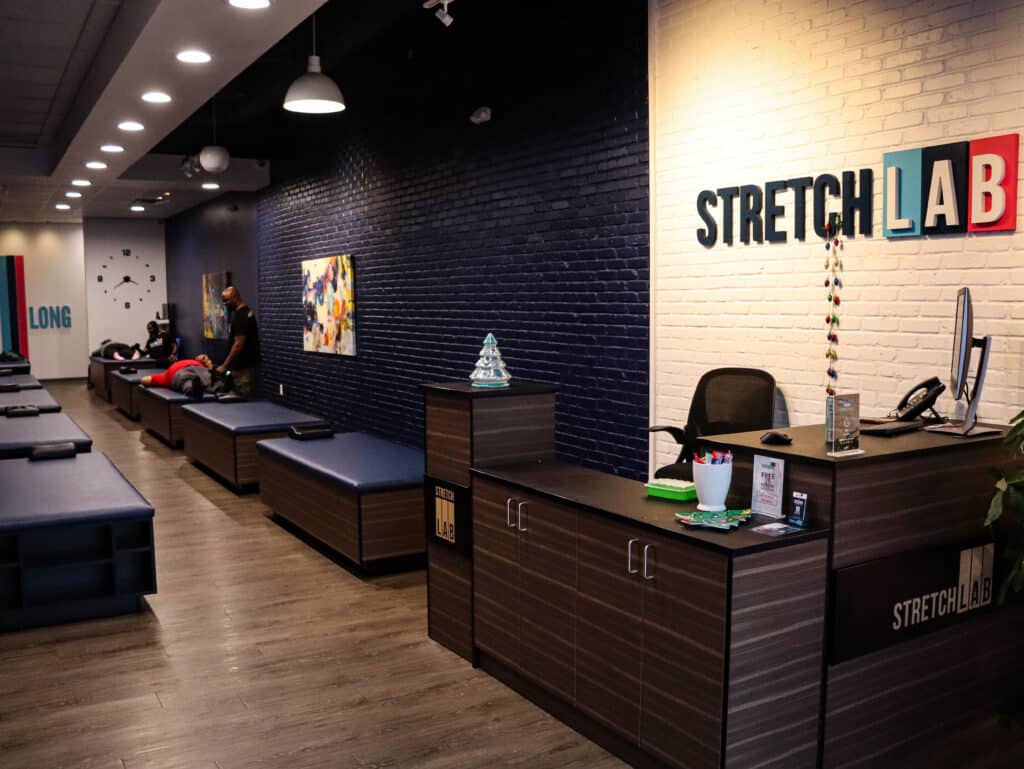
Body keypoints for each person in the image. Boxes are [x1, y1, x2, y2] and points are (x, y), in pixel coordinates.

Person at [217, 286, 260, 398]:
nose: (225, 304)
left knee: (242, 399)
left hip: (244, 369)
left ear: (236, 297)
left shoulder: (242, 316)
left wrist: (224, 365)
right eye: (223, 301)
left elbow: (238, 345)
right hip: (237, 368)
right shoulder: (240, 314)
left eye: (226, 300)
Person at [141, 355, 213, 388]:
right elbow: (144, 380)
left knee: (195, 379)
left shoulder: (199, 365)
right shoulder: (165, 376)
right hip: (181, 376)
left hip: (195, 372)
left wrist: (209, 365)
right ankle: (195, 389)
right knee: (187, 382)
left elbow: (144, 380)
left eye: (204, 358)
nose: (202, 358)